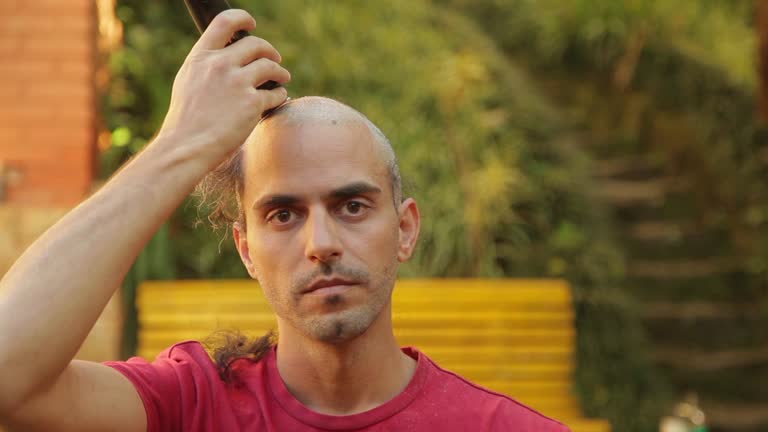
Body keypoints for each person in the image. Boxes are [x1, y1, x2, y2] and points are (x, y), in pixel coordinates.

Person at [0, 9, 570, 432]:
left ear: (405, 229)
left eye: (351, 206)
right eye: (283, 214)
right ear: (245, 248)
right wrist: (180, 144)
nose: (321, 244)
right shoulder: (190, 406)